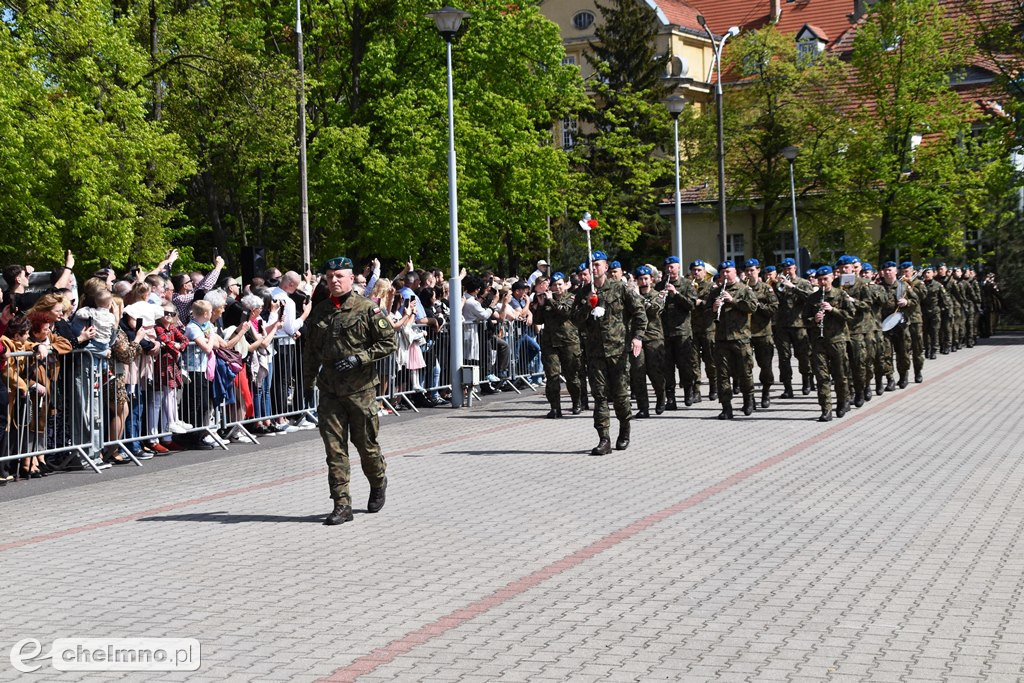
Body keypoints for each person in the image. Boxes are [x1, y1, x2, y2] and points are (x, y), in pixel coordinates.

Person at [303, 256, 396, 526]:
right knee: (334, 449)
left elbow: (389, 342)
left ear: (351, 278)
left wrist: (361, 358)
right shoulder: (320, 311)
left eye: (339, 276)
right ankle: (342, 504)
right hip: (330, 389)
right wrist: (308, 383)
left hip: (361, 389)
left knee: (366, 446)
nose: (334, 280)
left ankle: (378, 481)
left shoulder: (367, 309)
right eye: (330, 276)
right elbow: (310, 352)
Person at [572, 251, 646, 455]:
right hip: (595, 352)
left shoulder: (620, 288)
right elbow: (575, 320)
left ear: (606, 267)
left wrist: (637, 337)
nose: (594, 268)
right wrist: (588, 305)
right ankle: (604, 439)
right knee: (600, 396)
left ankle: (625, 428)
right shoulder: (584, 292)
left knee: (621, 396)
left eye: (598, 264)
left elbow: (640, 313)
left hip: (618, 351)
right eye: (591, 265)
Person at [707, 261, 758, 419]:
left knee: (745, 372)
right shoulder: (715, 292)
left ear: (735, 272)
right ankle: (726, 407)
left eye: (728, 272)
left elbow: (753, 307)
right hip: (722, 338)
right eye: (723, 272)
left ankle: (748, 399)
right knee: (722, 374)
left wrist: (733, 301)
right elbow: (705, 314)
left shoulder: (744, 289)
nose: (725, 275)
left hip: (740, 338)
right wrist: (713, 309)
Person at [804, 266, 855, 422]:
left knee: (840, 375)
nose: (822, 282)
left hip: (837, 340)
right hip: (819, 342)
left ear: (832, 278)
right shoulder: (812, 298)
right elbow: (804, 320)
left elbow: (851, 315)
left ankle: (842, 401)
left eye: (825, 279)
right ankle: (826, 409)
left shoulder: (840, 295)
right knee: (822, 377)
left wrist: (833, 310)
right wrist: (815, 319)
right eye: (820, 280)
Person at [532, 272, 581, 417]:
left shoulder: (572, 298)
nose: (557, 287)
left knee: (572, 376)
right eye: (554, 285)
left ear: (565, 285)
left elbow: (565, 312)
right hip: (550, 343)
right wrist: (540, 306)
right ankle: (555, 407)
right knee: (552, 376)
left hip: (569, 342)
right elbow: (538, 320)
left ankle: (576, 402)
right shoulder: (546, 300)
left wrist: (551, 301)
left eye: (560, 284)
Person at [655, 256, 697, 409]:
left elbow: (691, 305)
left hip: (682, 332)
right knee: (667, 367)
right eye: (667, 267)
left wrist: (676, 294)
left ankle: (688, 391)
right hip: (665, 332)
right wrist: (660, 298)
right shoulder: (659, 285)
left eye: (672, 267)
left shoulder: (686, 285)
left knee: (685, 365)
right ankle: (670, 398)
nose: (670, 270)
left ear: (678, 268)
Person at [773, 257, 815, 397]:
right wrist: (777, 286)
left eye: (789, 269)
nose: (787, 272)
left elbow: (810, 298)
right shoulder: (779, 284)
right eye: (785, 269)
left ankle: (806, 381)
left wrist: (793, 287)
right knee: (784, 357)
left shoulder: (803, 283)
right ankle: (787, 387)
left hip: (800, 325)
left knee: (803, 356)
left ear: (795, 268)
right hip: (782, 326)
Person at [631, 265, 667, 418]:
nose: (643, 282)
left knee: (655, 372)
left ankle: (661, 397)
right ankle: (643, 407)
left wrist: (636, 297)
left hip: (654, 338)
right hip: (637, 338)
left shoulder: (658, 295)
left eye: (646, 279)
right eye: (640, 279)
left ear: (651, 280)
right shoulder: (632, 296)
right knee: (638, 373)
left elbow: (654, 309)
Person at [743, 259, 778, 409]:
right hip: (744, 333)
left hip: (763, 333)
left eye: (752, 270)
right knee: (745, 367)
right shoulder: (742, 288)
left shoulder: (766, 289)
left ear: (758, 270)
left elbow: (773, 309)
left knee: (766, 366)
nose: (750, 273)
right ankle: (750, 397)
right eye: (747, 270)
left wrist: (757, 305)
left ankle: (765, 392)